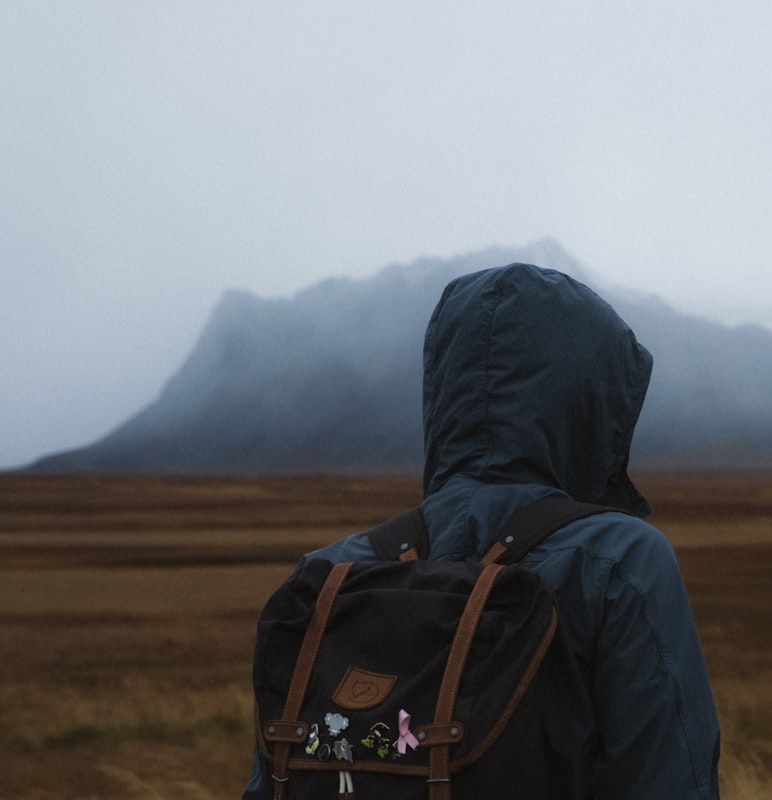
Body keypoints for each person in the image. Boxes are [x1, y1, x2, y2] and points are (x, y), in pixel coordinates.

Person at [242, 263, 721, 799]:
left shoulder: (330, 573)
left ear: (444, 387)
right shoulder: (618, 560)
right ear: (595, 401)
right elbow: (673, 782)